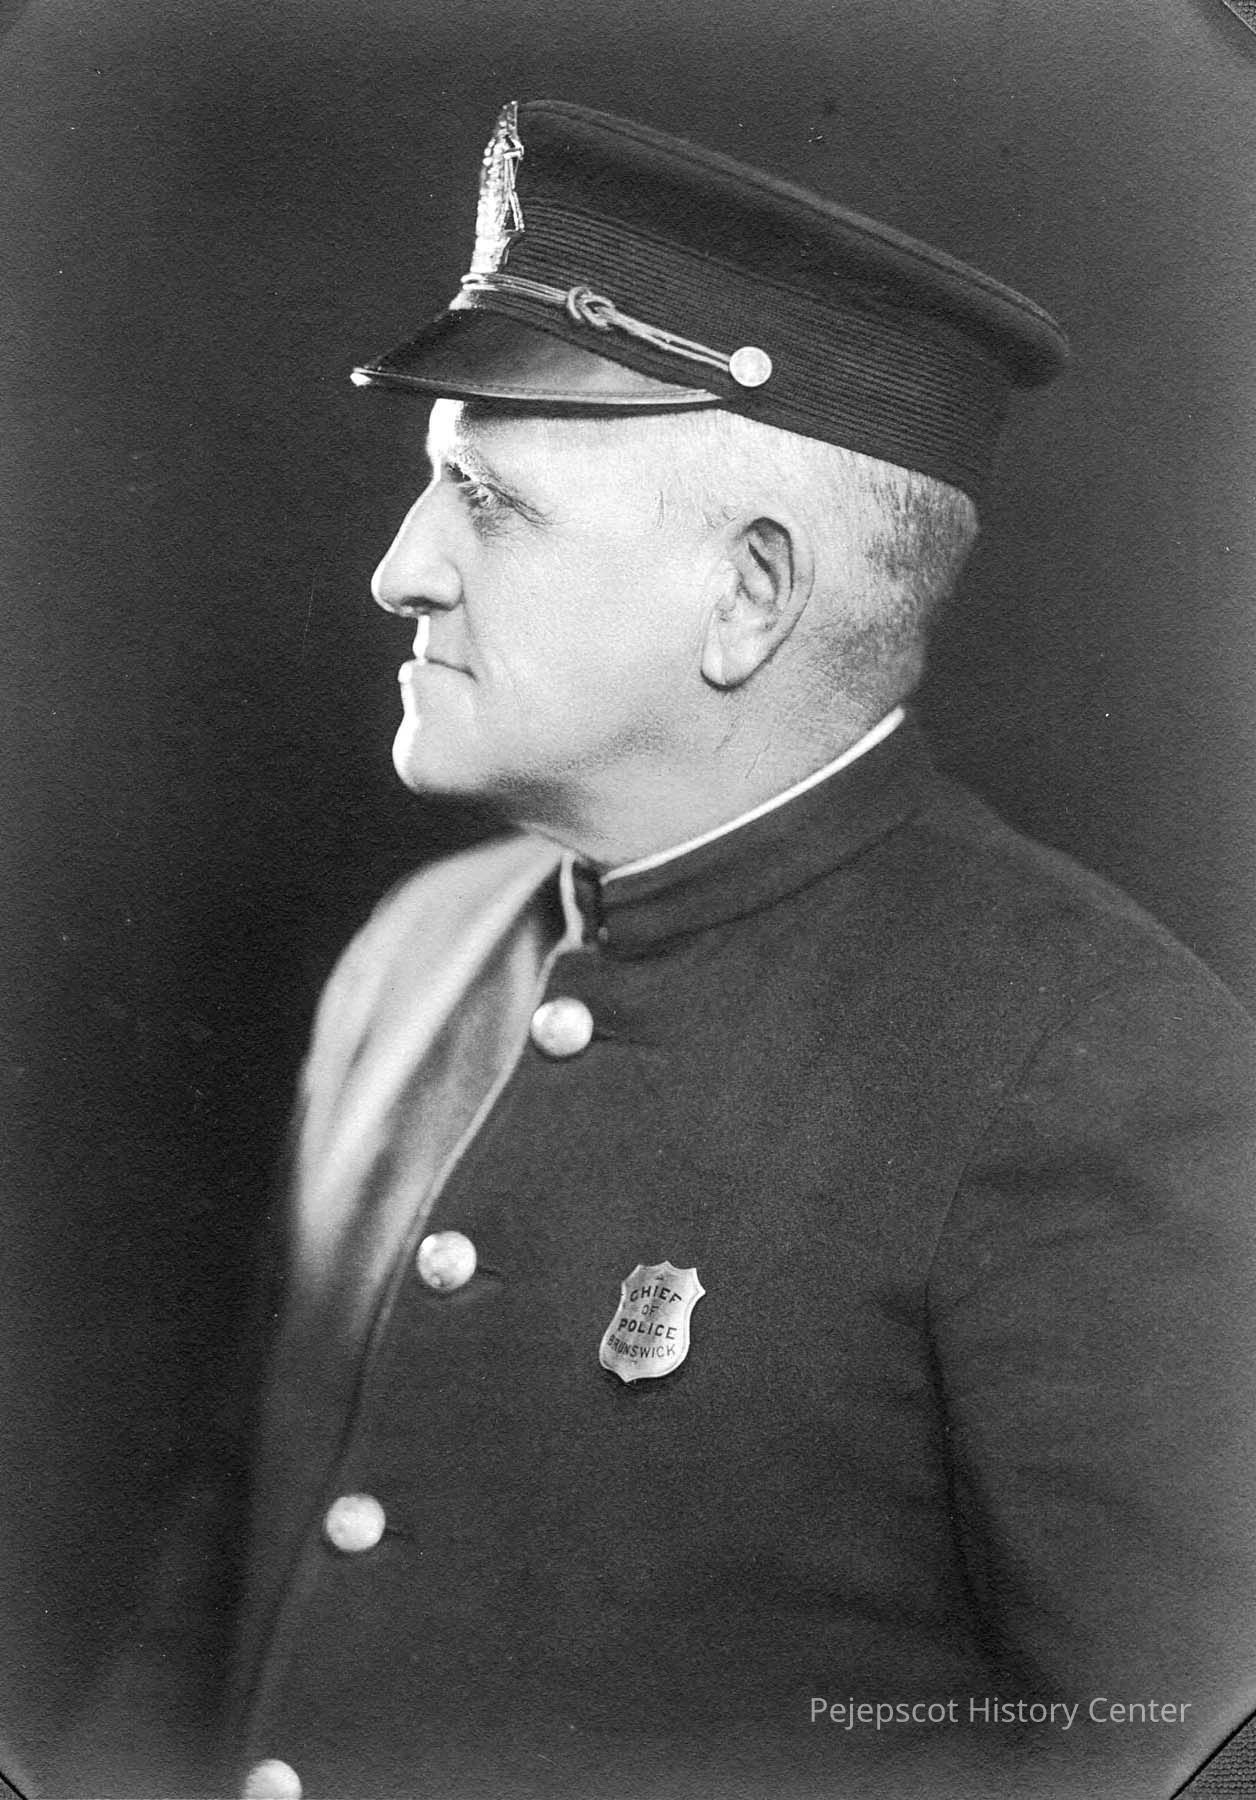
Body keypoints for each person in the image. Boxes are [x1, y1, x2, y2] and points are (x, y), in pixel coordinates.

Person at [65, 97, 1256, 1800]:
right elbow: (213, 1625)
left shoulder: (1087, 1063)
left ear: (749, 596)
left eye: (489, 503)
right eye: (432, 485)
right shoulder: (413, 957)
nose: (401, 571)